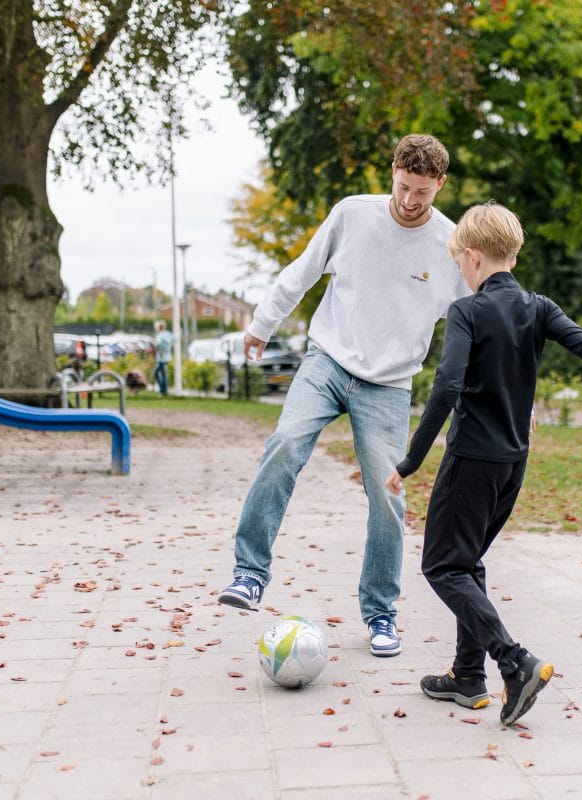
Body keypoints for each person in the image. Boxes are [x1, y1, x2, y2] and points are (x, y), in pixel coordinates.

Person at [384, 203, 582, 726]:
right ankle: (467, 676)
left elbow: (447, 385)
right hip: (512, 464)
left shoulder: (467, 312)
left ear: (471, 256)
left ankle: (513, 663)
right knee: (467, 562)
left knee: (442, 566)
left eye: (458, 263)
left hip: (470, 459)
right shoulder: (537, 306)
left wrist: (410, 460)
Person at [217, 134, 471, 658]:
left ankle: (381, 612)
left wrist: (516, 394)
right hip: (327, 361)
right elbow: (303, 271)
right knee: (285, 443)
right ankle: (248, 572)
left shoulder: (449, 248)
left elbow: (480, 323)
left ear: (440, 185)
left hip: (389, 384)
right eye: (402, 187)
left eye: (422, 192)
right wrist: (263, 324)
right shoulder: (352, 215)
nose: (409, 201)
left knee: (388, 494)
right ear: (392, 172)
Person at [153, 320, 173, 396]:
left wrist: (156, 348)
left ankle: (163, 391)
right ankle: (163, 390)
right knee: (161, 373)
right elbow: (174, 339)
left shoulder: (160, 335)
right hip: (167, 357)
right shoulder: (168, 334)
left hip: (162, 358)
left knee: (158, 373)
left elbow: (158, 344)